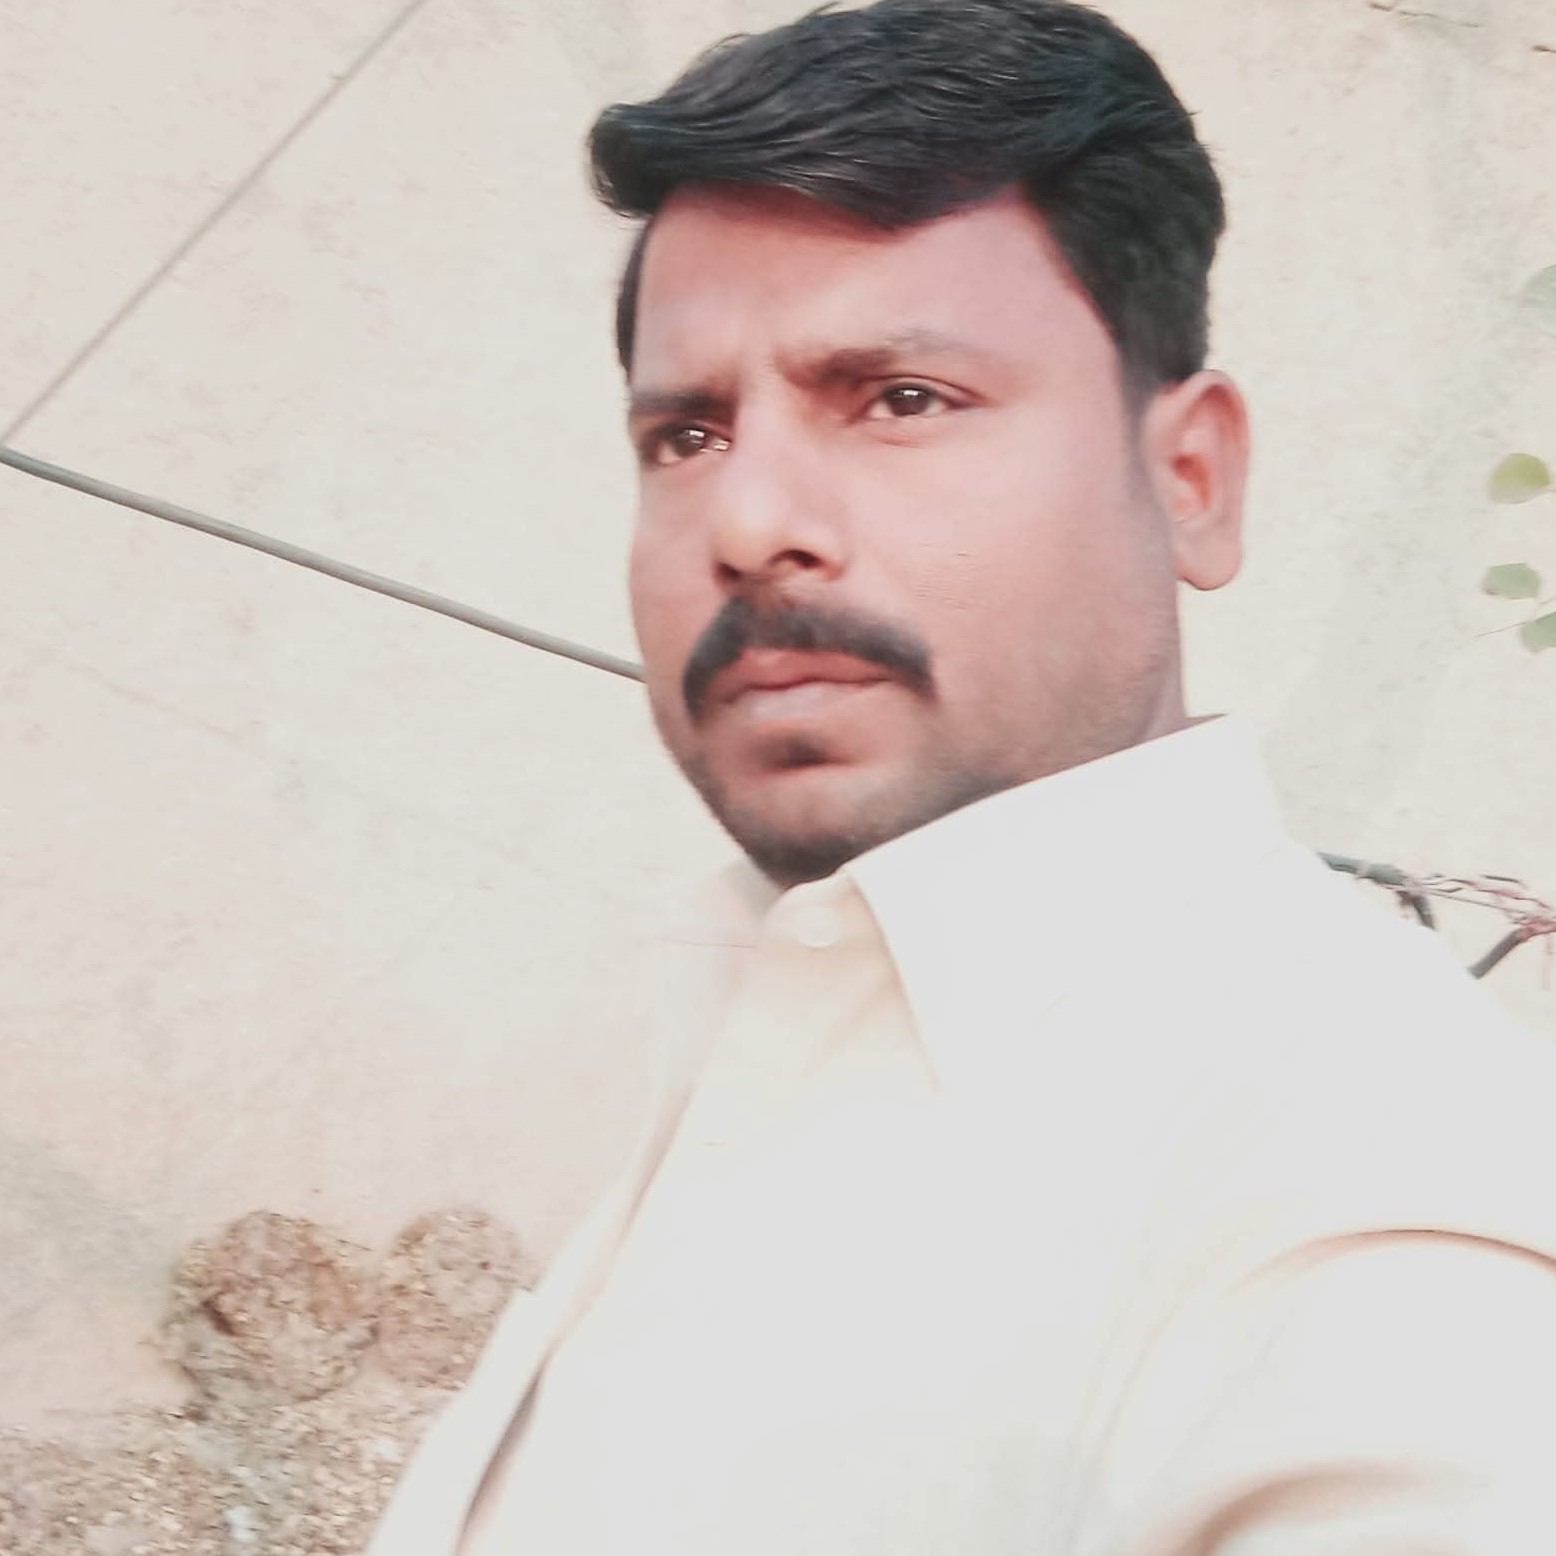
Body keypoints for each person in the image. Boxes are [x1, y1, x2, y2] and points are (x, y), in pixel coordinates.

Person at [370, 2, 1556, 1552]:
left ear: (1190, 479)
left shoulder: (1366, 1197)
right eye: (688, 435)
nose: (750, 522)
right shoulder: (781, 1010)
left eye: (901, 399)